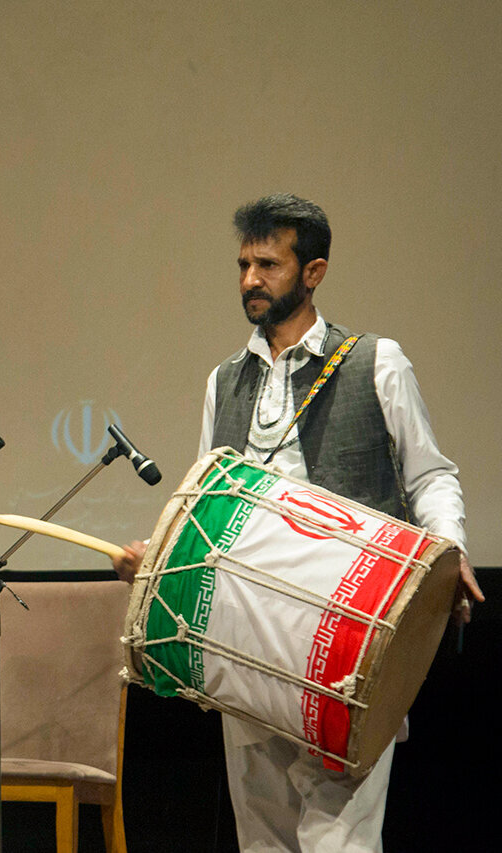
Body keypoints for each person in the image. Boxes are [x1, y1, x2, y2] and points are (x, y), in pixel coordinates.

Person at [113, 194, 484, 852]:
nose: (250, 279)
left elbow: (430, 474)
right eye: (243, 265)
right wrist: (160, 558)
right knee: (264, 839)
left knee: (339, 841)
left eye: (268, 263)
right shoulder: (223, 381)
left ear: (313, 271)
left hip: (347, 641)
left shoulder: (377, 361)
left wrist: (448, 551)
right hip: (244, 636)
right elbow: (207, 506)